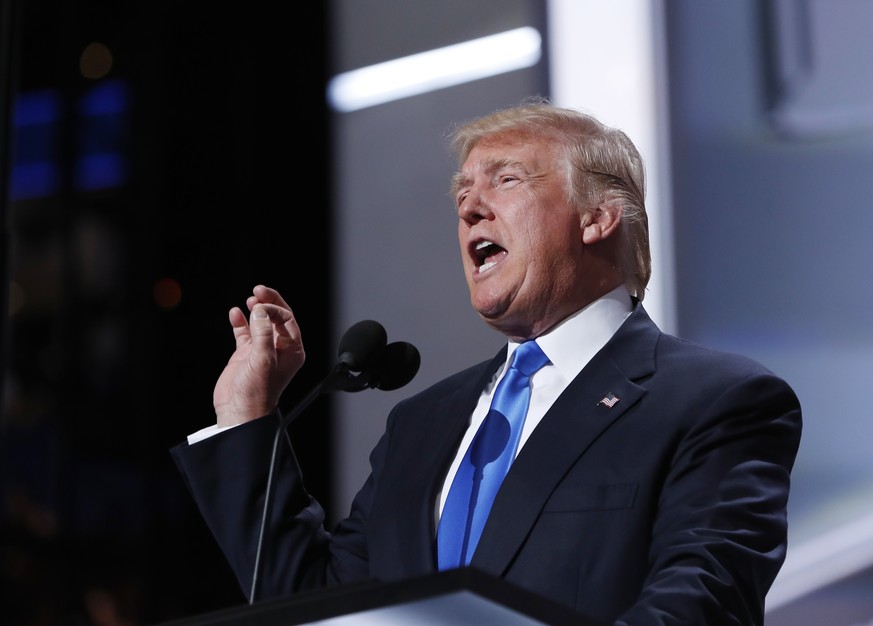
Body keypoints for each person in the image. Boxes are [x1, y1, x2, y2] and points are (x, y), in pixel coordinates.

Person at [171, 98, 802, 625]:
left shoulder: (713, 400)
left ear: (599, 218)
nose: (470, 207)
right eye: (463, 193)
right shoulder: (422, 424)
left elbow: (701, 605)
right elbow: (317, 605)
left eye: (506, 180)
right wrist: (245, 417)